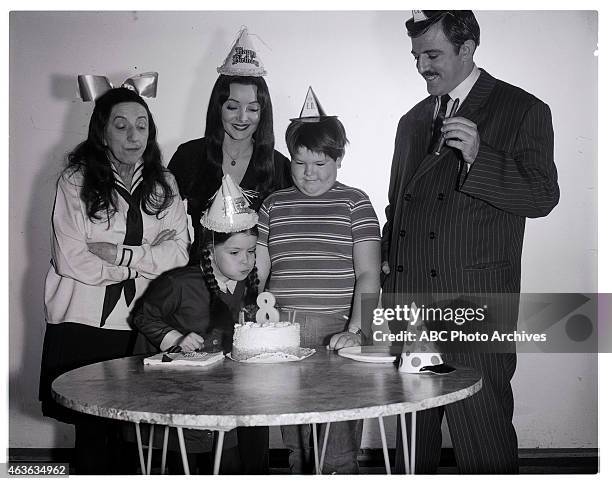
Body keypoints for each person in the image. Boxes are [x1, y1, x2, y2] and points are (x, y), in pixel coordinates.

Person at [380, 11, 560, 473]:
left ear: (468, 48)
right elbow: (398, 208)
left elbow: (542, 196)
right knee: (413, 430)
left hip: (474, 303)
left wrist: (481, 156)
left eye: (433, 54)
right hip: (412, 302)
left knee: (482, 425)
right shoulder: (412, 120)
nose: (422, 66)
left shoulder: (522, 109)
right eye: (417, 56)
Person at [39, 86, 190, 474]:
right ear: (102, 131)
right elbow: (70, 259)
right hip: (84, 320)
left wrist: (120, 254)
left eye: (141, 126)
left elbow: (177, 257)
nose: (132, 136)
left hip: (142, 321)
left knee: (134, 430)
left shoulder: (165, 184)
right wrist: (141, 262)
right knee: (91, 432)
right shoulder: (76, 180)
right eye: (120, 126)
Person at [256, 88, 381, 474]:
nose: (309, 173)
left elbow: (369, 274)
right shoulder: (272, 205)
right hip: (281, 335)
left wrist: (357, 330)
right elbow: (258, 274)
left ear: (339, 160)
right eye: (299, 163)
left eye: (320, 163)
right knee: (297, 447)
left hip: (337, 332)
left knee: (336, 447)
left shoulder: (355, 203)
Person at [132, 174, 260, 474]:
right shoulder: (179, 283)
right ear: (211, 249)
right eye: (235, 252)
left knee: (226, 465)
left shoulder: (245, 287)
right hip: (180, 398)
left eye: (252, 251)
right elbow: (143, 316)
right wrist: (175, 336)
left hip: (225, 399)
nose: (246, 261)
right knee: (184, 467)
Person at [168, 27, 292, 266]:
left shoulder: (279, 166)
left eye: (253, 109)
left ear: (263, 113)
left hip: (257, 285)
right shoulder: (189, 156)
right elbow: (160, 212)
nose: (242, 117)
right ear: (219, 108)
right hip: (199, 282)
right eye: (233, 106)